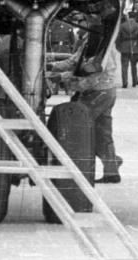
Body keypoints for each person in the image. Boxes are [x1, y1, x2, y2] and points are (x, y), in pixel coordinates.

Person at [50, 13, 122, 184]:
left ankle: (79, 169)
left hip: (99, 90)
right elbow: (75, 62)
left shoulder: (102, 44)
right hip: (101, 90)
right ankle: (111, 169)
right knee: (102, 133)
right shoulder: (90, 41)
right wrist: (53, 66)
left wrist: (67, 79)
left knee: (76, 124)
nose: (79, 25)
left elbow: (98, 72)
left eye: (83, 22)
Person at [115, 12, 138, 88]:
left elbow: (118, 38)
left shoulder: (122, 26)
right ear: (135, 17)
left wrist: (119, 47)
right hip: (135, 47)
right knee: (134, 65)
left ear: (128, 17)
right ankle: (134, 81)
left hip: (124, 47)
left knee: (124, 66)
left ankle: (125, 82)